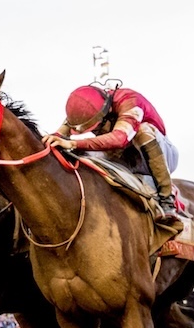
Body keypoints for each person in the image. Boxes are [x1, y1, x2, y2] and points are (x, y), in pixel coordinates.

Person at [43, 83, 182, 226]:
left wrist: (73, 143)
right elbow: (59, 135)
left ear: (108, 111)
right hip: (125, 157)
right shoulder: (87, 110)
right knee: (80, 155)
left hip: (160, 155)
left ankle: (167, 199)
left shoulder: (131, 101)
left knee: (143, 131)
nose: (96, 132)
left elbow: (120, 138)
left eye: (97, 128)